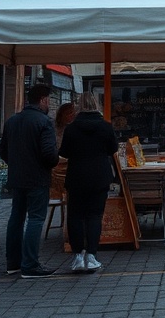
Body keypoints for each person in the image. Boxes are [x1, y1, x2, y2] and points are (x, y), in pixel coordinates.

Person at [0, 83, 60, 278]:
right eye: (48, 100)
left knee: (16, 218)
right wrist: (53, 162)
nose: (49, 103)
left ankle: (13, 262)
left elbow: (2, 150)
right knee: (36, 218)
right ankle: (30, 264)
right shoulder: (44, 122)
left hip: (17, 177)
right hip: (37, 177)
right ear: (43, 100)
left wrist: (15, 163)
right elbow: (49, 153)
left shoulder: (12, 121)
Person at [58, 92, 117, 273]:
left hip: (76, 176)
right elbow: (112, 148)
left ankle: (77, 256)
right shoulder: (106, 127)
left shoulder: (71, 128)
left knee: (75, 215)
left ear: (79, 106)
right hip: (99, 175)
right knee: (94, 215)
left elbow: (64, 152)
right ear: (96, 105)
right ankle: (91, 256)